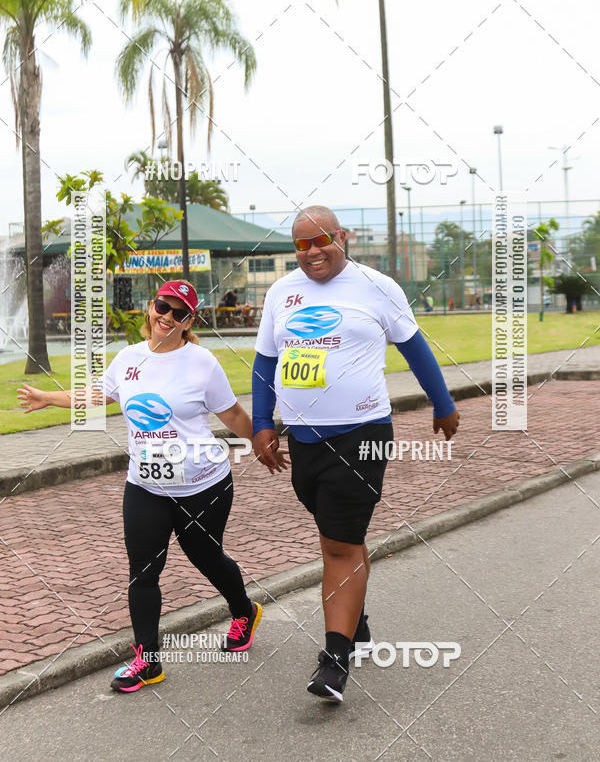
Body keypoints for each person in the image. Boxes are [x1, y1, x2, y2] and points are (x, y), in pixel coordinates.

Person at [252, 207, 459, 703]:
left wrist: (443, 404)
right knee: (340, 535)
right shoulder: (281, 292)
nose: (312, 252)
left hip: (363, 435)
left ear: (341, 236)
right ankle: (357, 624)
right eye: (301, 244)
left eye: (321, 240)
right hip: (303, 440)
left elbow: (414, 348)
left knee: (338, 546)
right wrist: (262, 423)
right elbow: (265, 361)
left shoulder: (377, 287)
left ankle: (335, 659)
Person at [18, 279, 261, 693]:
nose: (168, 317)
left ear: (189, 322)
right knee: (143, 572)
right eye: (163, 307)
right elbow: (99, 394)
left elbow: (233, 414)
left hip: (203, 485)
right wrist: (47, 397)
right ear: (151, 307)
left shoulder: (202, 363)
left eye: (179, 313)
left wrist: (262, 444)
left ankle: (244, 611)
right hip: (145, 486)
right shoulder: (129, 357)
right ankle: (148, 662)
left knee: (207, 558)